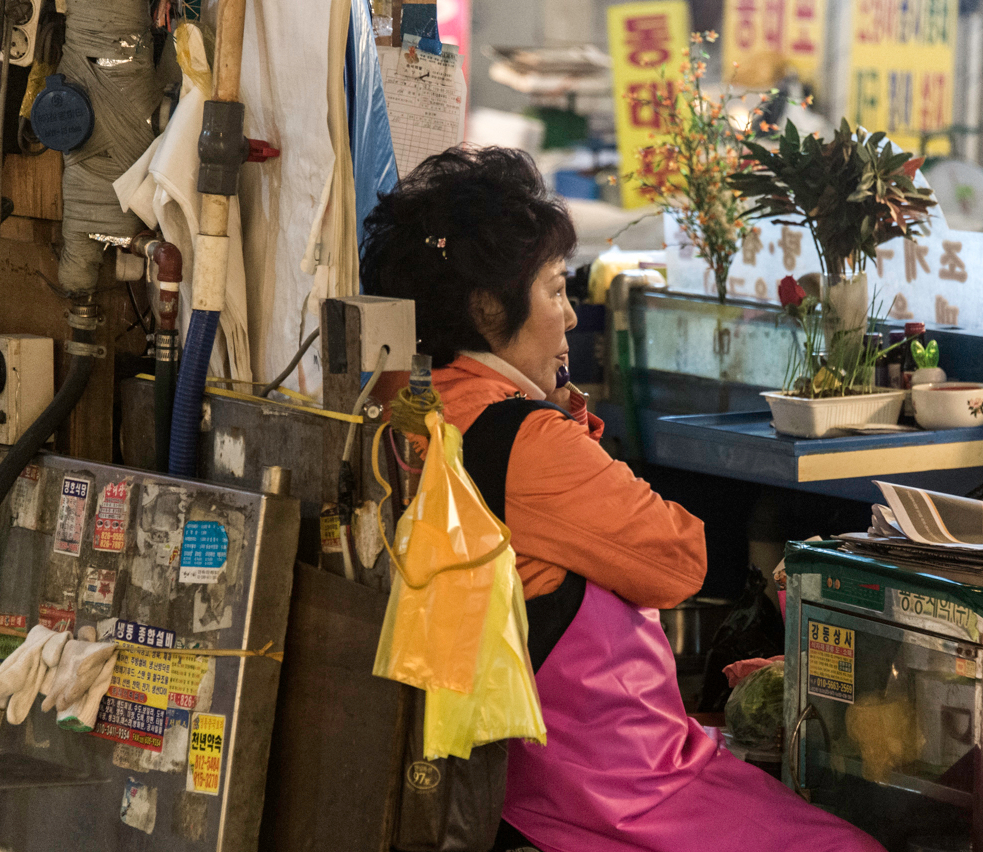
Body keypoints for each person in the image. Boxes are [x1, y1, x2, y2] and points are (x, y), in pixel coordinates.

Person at [362, 146, 884, 852]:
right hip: (607, 796)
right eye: (554, 291)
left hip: (498, 785)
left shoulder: (402, 405)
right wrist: (563, 416)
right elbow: (678, 563)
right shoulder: (525, 441)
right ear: (488, 308)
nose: (571, 317)